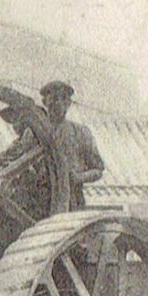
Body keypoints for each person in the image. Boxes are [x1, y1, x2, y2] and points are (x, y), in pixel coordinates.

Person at [40, 80, 105, 210]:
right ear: (45, 103)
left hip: (73, 200)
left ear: (69, 103)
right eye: (53, 99)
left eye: (62, 99)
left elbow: (98, 170)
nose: (57, 104)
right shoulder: (33, 133)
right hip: (40, 200)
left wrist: (78, 177)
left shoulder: (81, 133)